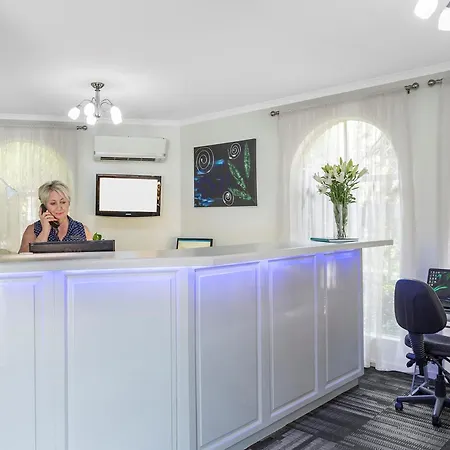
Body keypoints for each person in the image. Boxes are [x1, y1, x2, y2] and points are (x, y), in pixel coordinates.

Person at [19, 180, 92, 253]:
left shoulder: (82, 230)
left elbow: (90, 258)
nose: (59, 207)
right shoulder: (32, 230)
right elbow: (24, 259)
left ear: (68, 203)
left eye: (63, 202)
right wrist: (44, 232)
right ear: (44, 207)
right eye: (53, 203)